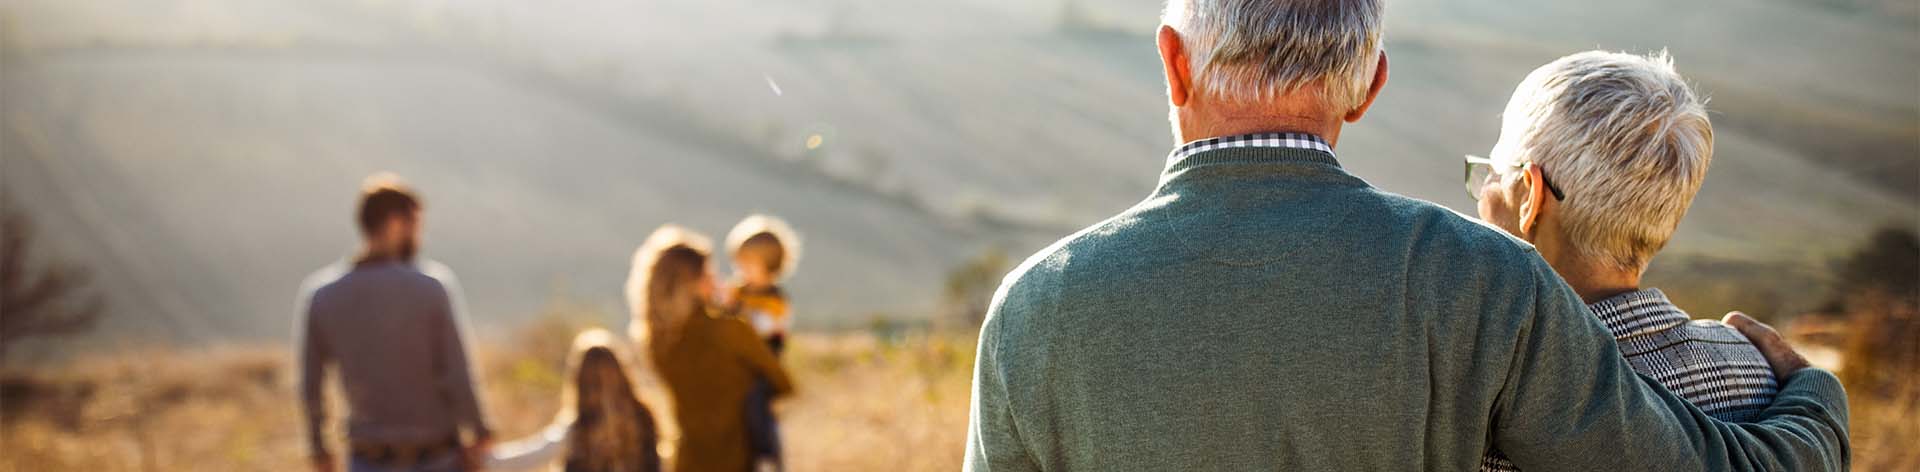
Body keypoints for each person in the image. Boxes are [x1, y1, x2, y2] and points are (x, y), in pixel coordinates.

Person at [962, 1, 1849, 470]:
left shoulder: (1039, 304)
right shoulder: (1480, 278)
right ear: (1369, 84)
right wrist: (1815, 403)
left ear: (1173, 58)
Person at [1467, 50, 1780, 472]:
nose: (1481, 196)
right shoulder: (1760, 373)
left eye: (1491, 174)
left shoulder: (1491, 409)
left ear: (1530, 195)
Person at [298, 173, 492, 472]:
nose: (418, 236)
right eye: (415, 225)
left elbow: (311, 384)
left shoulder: (322, 295)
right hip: (436, 458)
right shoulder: (431, 287)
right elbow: (457, 373)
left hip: (366, 461)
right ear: (394, 223)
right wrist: (480, 432)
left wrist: (318, 449)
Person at [626, 225, 795, 472]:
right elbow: (783, 383)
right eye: (709, 274)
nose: (718, 281)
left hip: (687, 461)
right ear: (692, 283)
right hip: (737, 460)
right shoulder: (730, 330)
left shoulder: (656, 342)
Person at [488, 329, 662, 472]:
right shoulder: (643, 417)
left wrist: (481, 461)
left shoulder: (579, 428)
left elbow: (532, 455)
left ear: (579, 382)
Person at [721, 214, 803, 472]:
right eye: (739, 264)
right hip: (739, 365)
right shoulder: (739, 291)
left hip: (764, 367)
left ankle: (767, 452)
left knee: (757, 404)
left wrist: (739, 312)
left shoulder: (776, 300)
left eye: (748, 265)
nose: (741, 271)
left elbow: (765, 328)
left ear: (768, 265)